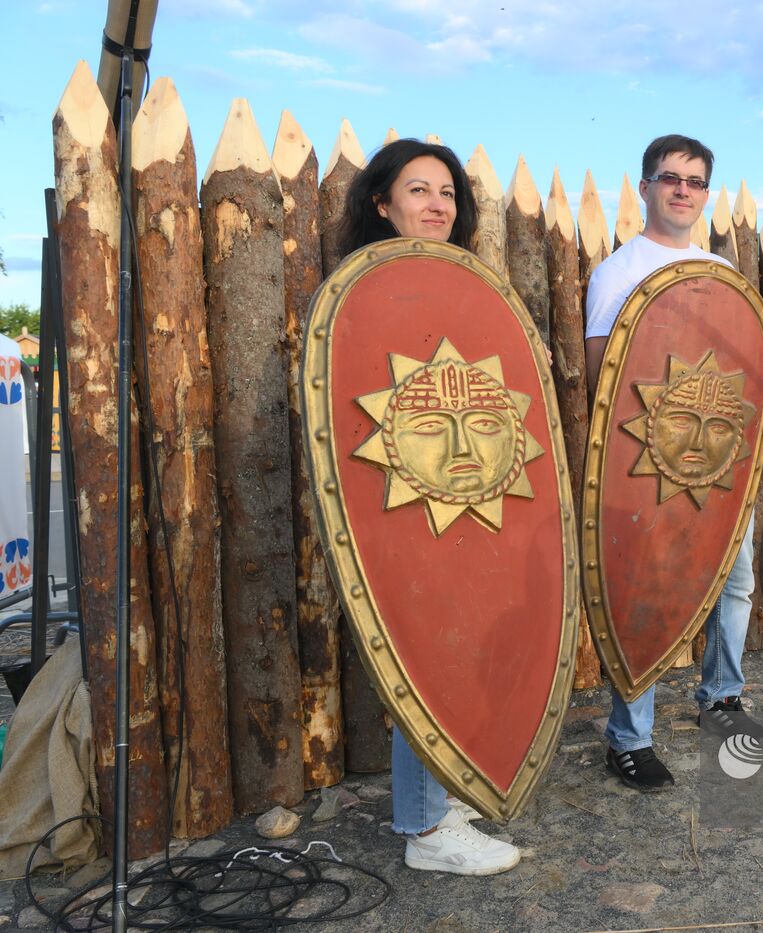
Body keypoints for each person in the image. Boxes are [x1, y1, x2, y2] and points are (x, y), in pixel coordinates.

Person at [584, 134, 763, 792]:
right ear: (645, 186)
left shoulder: (722, 275)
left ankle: (722, 697)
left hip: (717, 463)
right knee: (642, 593)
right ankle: (630, 737)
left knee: (732, 584)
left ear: (706, 192)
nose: (682, 189)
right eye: (670, 177)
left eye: (695, 180)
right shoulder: (617, 272)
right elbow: (604, 373)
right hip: (647, 461)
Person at [334, 138, 519, 876]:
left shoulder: (468, 286)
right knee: (420, 650)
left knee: (462, 647)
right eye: (419, 190)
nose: (437, 203)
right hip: (399, 504)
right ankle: (424, 829)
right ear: (383, 203)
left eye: (446, 192)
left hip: (471, 497)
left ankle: (445, 794)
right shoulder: (357, 291)